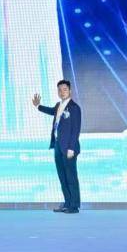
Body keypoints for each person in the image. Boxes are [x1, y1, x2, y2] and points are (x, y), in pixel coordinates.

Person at [33, 80, 83, 213]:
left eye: (65, 89)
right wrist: (38, 106)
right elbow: (51, 111)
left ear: (70, 91)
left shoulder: (74, 108)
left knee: (71, 177)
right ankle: (67, 203)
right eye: (60, 90)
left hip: (69, 148)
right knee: (62, 176)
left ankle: (74, 206)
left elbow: (76, 130)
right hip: (58, 146)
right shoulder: (58, 105)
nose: (62, 92)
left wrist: (71, 148)